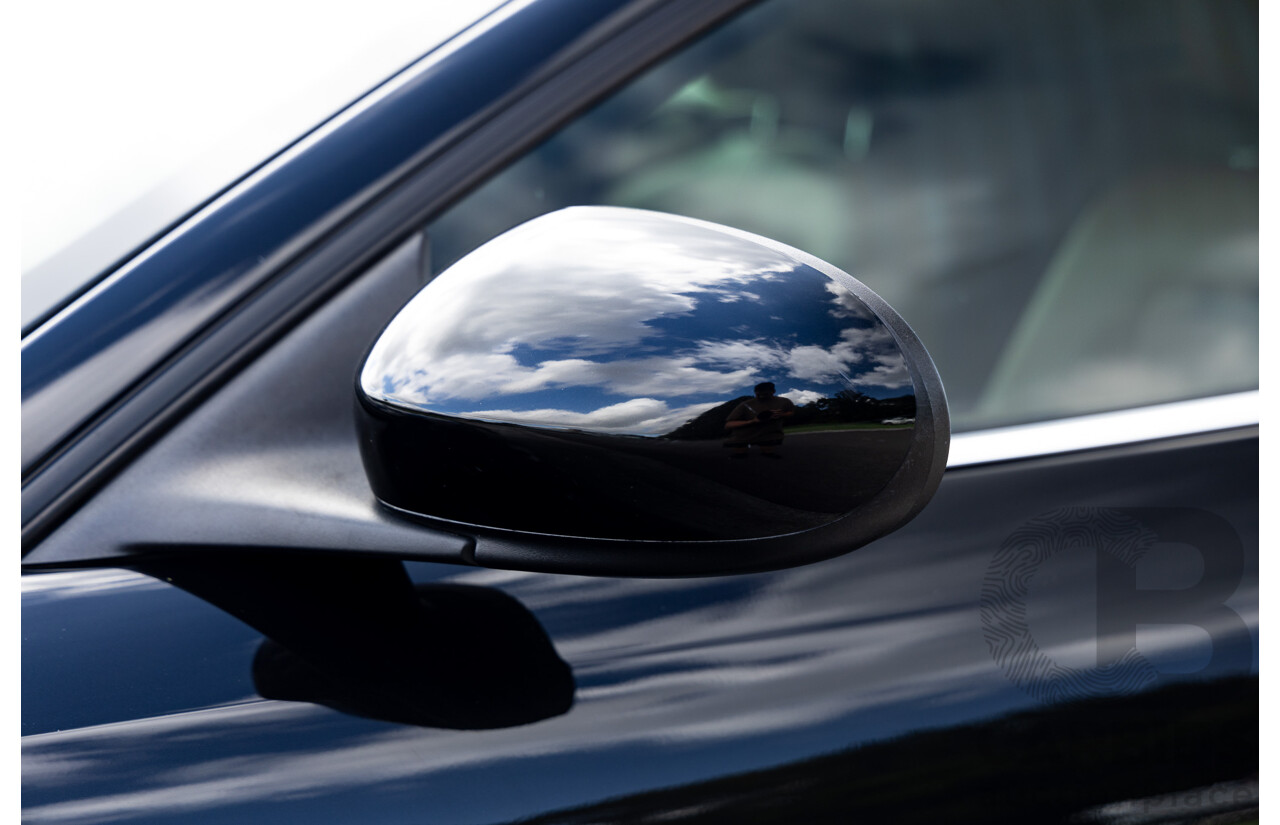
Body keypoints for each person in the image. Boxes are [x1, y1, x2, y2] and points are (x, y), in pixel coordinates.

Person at [723, 382, 796, 458]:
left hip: (769, 434)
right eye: (759, 394)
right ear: (755, 392)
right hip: (744, 434)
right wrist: (753, 421)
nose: (761, 397)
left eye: (765, 394)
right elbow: (728, 425)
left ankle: (767, 452)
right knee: (740, 455)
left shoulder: (784, 401)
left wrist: (781, 414)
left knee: (768, 453)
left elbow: (791, 412)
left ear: (773, 391)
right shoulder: (745, 404)